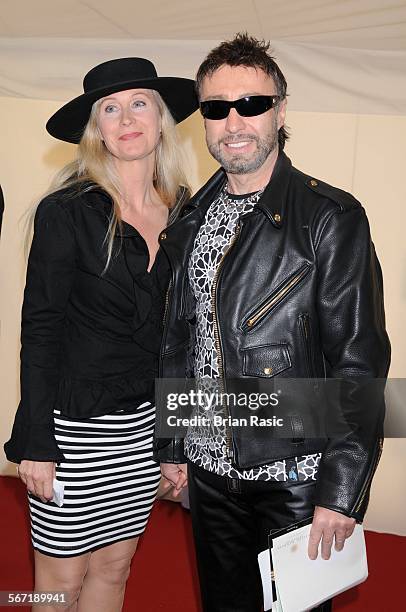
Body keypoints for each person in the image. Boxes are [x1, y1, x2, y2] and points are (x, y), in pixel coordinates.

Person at [155, 34, 390, 612]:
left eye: (251, 104)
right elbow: (182, 342)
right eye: (215, 108)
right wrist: (174, 443)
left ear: (280, 111)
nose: (233, 122)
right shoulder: (192, 217)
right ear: (203, 121)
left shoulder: (331, 218)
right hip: (208, 472)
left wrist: (341, 491)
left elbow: (358, 363)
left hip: (295, 477)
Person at [4, 57, 197, 611]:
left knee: (115, 570)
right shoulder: (66, 212)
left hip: (143, 432)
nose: (126, 118)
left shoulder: (187, 215)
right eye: (109, 109)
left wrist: (175, 441)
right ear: (96, 130)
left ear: (161, 119)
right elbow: (39, 330)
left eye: (139, 103)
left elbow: (182, 340)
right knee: (57, 585)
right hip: (73, 433)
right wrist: (36, 442)